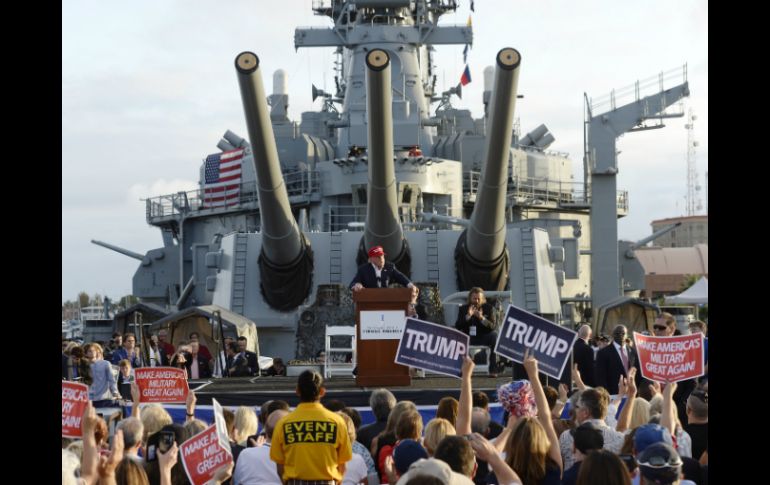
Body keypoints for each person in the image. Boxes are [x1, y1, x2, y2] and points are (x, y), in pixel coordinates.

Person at [270, 370, 352, 484]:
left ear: (297, 391)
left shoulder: (283, 424)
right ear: (322, 392)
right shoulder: (337, 422)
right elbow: (342, 465)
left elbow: (280, 467)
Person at [454, 287, 501, 376]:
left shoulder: (489, 308)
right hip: (468, 337)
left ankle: (493, 370)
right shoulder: (463, 309)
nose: (476, 301)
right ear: (470, 298)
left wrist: (481, 318)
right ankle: (463, 369)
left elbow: (492, 326)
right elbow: (458, 326)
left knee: (494, 336)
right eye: (474, 298)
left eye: (479, 299)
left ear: (483, 299)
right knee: (458, 336)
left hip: (483, 336)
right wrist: (468, 316)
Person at [595, 324, 638, 394]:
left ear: (627, 335)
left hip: (631, 393)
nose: (620, 335)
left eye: (623, 333)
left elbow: (637, 373)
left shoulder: (633, 352)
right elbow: (600, 377)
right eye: (617, 333)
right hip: (613, 394)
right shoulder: (603, 353)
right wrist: (606, 395)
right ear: (613, 335)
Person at [350, 245, 414, 291]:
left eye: (382, 256)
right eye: (378, 257)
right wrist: (356, 285)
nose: (381, 259)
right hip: (369, 301)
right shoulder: (363, 269)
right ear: (371, 259)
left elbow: (400, 276)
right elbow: (352, 283)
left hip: (386, 300)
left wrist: (410, 284)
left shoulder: (390, 267)